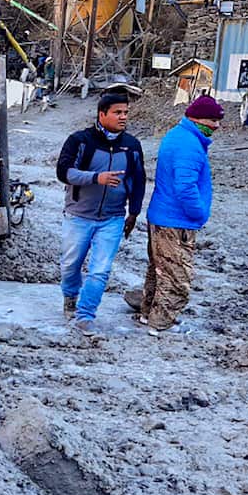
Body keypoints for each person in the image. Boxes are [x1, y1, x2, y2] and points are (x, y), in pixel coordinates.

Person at [56, 91, 147, 338]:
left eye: (126, 112)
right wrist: (96, 178)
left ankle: (85, 316)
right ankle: (70, 297)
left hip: (112, 218)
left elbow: (139, 180)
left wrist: (134, 212)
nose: (123, 117)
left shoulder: (132, 146)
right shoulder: (80, 141)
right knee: (70, 265)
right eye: (118, 112)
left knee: (100, 270)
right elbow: (64, 172)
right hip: (78, 216)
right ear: (102, 114)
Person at [128, 95, 222, 333]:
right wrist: (199, 214)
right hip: (176, 221)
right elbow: (185, 187)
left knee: (158, 272)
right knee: (177, 279)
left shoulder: (179, 136)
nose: (216, 125)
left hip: (163, 217)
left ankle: (148, 315)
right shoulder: (188, 145)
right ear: (195, 118)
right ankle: (160, 326)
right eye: (212, 120)